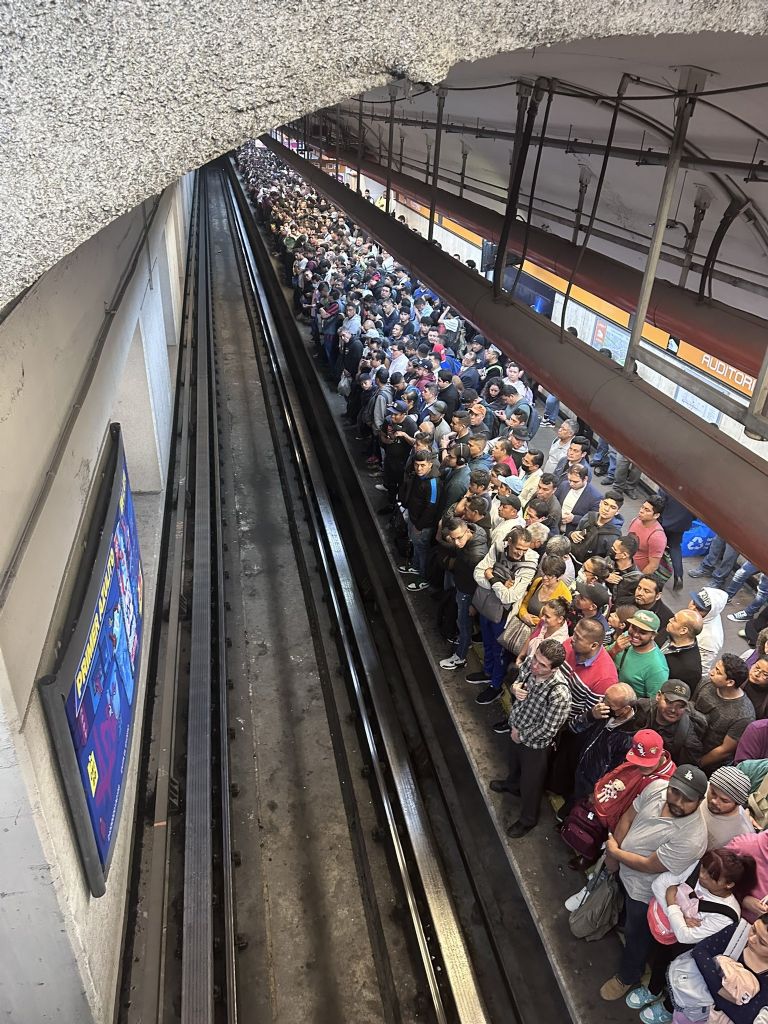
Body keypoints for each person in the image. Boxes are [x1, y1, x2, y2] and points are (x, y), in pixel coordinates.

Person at [599, 765, 709, 1001]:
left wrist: (615, 853)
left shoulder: (692, 838)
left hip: (644, 890)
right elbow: (628, 816)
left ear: (700, 801)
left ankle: (628, 976)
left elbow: (650, 865)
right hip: (622, 869)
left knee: (637, 935)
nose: (677, 802)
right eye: (675, 792)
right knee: (623, 912)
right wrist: (612, 855)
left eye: (687, 799)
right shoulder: (657, 787)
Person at [628, 848, 754, 1021]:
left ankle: (668, 1007)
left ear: (729, 884)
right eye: (703, 869)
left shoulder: (727, 914)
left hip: (692, 950)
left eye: (712, 876)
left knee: (683, 980)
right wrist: (680, 915)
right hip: (669, 934)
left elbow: (685, 937)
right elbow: (658, 884)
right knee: (660, 961)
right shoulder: (696, 867)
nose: (702, 876)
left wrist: (672, 902)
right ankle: (653, 989)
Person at [489, 639, 571, 837]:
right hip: (517, 727)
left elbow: (548, 729)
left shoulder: (559, 693)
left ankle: (528, 819)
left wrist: (522, 735)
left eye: (542, 665)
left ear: (554, 669)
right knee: (514, 763)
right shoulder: (530, 664)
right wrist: (515, 688)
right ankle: (512, 785)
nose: (535, 665)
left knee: (531, 784)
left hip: (536, 746)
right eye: (536, 659)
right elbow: (520, 677)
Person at [469, 527, 539, 705]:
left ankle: (495, 685)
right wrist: (500, 584)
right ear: (509, 543)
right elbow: (478, 572)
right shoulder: (498, 548)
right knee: (487, 643)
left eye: (524, 550)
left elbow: (510, 596)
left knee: (499, 651)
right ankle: (487, 672)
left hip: (504, 617)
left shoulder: (528, 565)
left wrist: (493, 578)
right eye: (517, 548)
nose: (520, 553)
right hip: (487, 608)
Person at [438, 517, 489, 671]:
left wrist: (474, 603)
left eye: (459, 538)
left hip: (467, 593)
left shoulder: (475, 555)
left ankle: (460, 657)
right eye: (454, 539)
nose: (457, 543)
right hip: (463, 587)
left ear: (467, 531)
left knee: (464, 625)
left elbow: (478, 583)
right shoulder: (476, 531)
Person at [695, 654, 756, 772]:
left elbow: (725, 750)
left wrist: (698, 763)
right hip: (690, 742)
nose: (711, 672)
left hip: (708, 763)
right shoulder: (706, 683)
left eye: (718, 671)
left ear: (730, 682)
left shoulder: (743, 715)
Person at [397, 450, 442, 591]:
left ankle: (423, 577)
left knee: (422, 549)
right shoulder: (418, 476)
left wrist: (420, 525)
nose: (419, 468)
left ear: (430, 464)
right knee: (416, 545)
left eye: (423, 465)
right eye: (417, 465)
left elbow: (431, 507)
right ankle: (416, 566)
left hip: (422, 525)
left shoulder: (433, 482)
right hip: (413, 517)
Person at [634, 680, 706, 766]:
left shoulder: (688, 739)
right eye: (669, 702)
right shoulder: (640, 710)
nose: (673, 710)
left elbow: (685, 770)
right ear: (658, 696)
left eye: (681, 706)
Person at [608, 609, 670, 699]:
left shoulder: (657, 668)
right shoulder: (626, 637)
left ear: (653, 636)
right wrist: (614, 650)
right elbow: (602, 656)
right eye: (633, 628)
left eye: (643, 632)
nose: (635, 635)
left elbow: (652, 703)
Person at [700, 765, 756, 848]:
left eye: (724, 800)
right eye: (713, 793)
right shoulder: (701, 788)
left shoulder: (743, 835)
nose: (714, 801)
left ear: (737, 803)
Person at [569, 491, 624, 565]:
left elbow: (609, 560)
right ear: (600, 503)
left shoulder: (614, 535)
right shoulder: (589, 516)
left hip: (590, 569)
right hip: (571, 557)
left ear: (617, 512)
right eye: (605, 504)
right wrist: (573, 534)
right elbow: (576, 531)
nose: (606, 509)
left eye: (613, 507)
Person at [658, 490, 695, 591]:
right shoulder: (695, 491)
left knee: (657, 544)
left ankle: (657, 571)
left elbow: (660, 502)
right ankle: (678, 575)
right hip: (681, 524)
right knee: (675, 547)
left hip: (665, 521)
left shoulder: (669, 485)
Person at [660, 609, 704, 690]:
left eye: (674, 619)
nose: (670, 620)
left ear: (683, 630)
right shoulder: (669, 631)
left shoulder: (690, 669)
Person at [690, 586, 729, 676]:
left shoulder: (710, 639)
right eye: (693, 602)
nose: (692, 608)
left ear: (710, 612)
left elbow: (701, 670)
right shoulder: (694, 615)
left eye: (699, 609)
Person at [556, 465, 603, 536]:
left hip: (573, 534)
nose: (571, 484)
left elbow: (594, 521)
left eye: (575, 482)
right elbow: (555, 502)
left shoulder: (595, 497)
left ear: (585, 479)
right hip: (556, 528)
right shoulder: (564, 485)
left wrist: (574, 519)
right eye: (569, 480)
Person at [628, 496, 668, 577]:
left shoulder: (657, 536)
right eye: (642, 507)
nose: (641, 511)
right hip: (625, 563)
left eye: (647, 510)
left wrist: (638, 579)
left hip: (637, 572)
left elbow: (653, 566)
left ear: (656, 515)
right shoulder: (635, 520)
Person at [607, 534, 642, 604]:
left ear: (624, 555)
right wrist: (605, 576)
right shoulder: (608, 560)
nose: (611, 550)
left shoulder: (636, 579)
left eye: (614, 549)